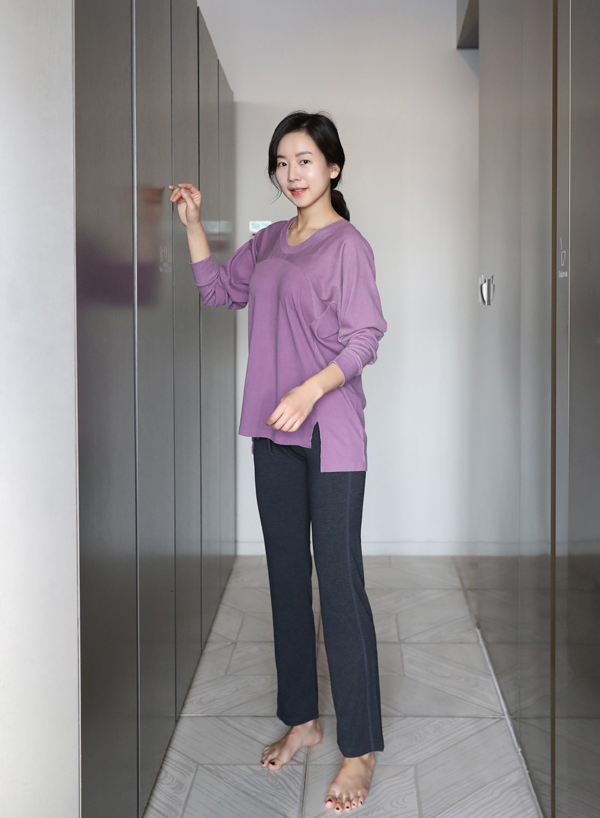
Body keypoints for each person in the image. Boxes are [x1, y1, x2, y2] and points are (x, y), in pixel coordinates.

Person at [169, 110, 387, 813]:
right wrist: (194, 227)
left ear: (333, 167)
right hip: (272, 434)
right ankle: (303, 720)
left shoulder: (347, 245)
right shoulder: (267, 244)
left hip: (330, 436)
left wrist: (309, 389)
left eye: (305, 161)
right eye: (282, 163)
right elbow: (219, 293)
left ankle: (359, 749)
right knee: (287, 582)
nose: (292, 174)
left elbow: (366, 337)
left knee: (341, 588)